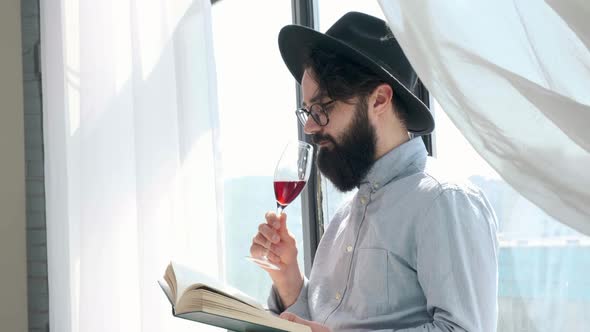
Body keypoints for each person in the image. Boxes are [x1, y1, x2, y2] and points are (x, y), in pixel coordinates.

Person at [249, 12, 498, 332]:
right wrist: (288, 279)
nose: (310, 126)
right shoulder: (343, 217)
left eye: (322, 107)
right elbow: (322, 322)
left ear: (379, 99)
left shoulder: (444, 201)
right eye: (307, 111)